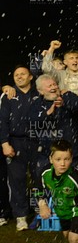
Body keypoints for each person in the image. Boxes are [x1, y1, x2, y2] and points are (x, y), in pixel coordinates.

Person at [0, 66, 43, 231]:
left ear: (30, 77)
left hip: (37, 142)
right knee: (17, 180)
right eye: (16, 75)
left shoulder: (39, 92)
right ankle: (21, 216)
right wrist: (5, 143)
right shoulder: (8, 95)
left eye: (23, 74)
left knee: (39, 177)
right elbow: (2, 122)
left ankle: (41, 211)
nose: (19, 77)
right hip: (15, 142)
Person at [29, 74, 78, 174]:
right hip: (48, 155)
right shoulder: (37, 104)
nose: (53, 88)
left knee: (74, 186)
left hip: (73, 154)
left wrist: (65, 102)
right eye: (49, 86)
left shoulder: (67, 96)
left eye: (54, 84)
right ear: (41, 91)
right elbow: (32, 123)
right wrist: (47, 113)